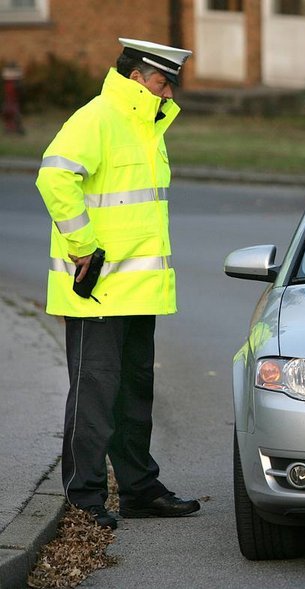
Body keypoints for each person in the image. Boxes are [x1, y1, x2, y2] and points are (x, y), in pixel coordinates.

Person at [35, 38, 200, 530]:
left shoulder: (145, 126)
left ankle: (138, 488)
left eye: (171, 84)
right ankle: (83, 498)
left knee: (133, 393)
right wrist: (82, 247)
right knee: (94, 396)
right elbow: (54, 177)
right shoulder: (98, 118)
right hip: (97, 288)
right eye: (162, 81)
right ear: (136, 78)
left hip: (135, 291)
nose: (169, 92)